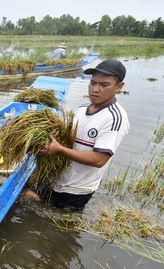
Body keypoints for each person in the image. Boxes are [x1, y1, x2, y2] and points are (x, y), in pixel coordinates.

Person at [28, 59, 130, 210]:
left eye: (104, 85)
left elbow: (99, 159)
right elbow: (67, 137)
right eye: (93, 83)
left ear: (119, 87)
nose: (95, 89)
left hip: (76, 190)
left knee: (59, 224)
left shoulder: (114, 118)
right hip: (57, 177)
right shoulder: (82, 109)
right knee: (28, 197)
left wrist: (60, 150)